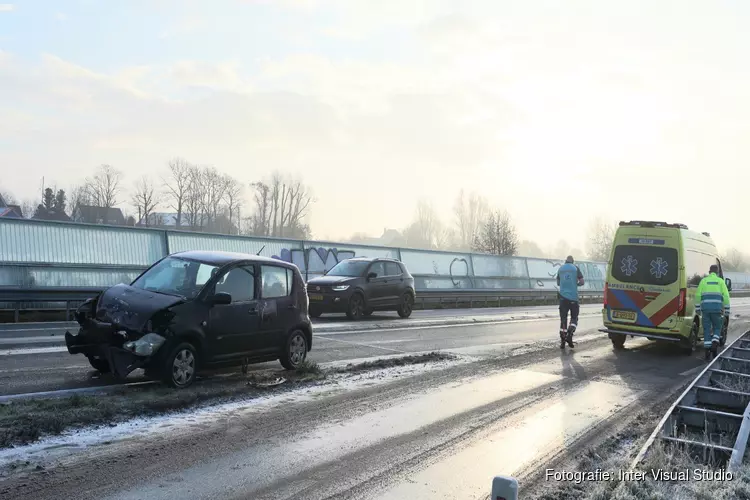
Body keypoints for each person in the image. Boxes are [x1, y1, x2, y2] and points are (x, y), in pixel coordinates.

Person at [695, 264, 731, 360]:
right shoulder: (720, 282)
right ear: (717, 272)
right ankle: (715, 343)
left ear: (710, 272)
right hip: (717, 309)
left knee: (706, 328)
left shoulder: (704, 281)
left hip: (705, 309)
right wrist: (727, 310)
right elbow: (726, 297)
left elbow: (698, 295)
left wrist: (697, 308)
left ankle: (707, 350)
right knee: (717, 327)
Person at [557, 255, 585, 349]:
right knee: (574, 318)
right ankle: (570, 333)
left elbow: (558, 282)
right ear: (573, 261)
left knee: (563, 319)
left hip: (563, 298)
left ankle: (562, 342)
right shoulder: (575, 268)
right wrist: (575, 284)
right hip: (573, 298)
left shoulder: (560, 269)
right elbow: (582, 282)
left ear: (566, 261)